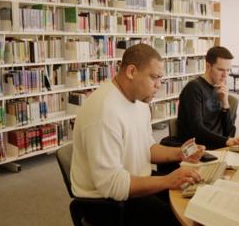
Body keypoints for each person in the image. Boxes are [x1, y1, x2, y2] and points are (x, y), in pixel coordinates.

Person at [70, 44, 205, 226]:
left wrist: (180, 153)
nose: (159, 85)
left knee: (194, 199)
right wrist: (167, 180)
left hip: (135, 183)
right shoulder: (104, 112)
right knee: (183, 219)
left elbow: (147, 148)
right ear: (132, 71)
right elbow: (113, 185)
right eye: (154, 77)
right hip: (108, 203)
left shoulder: (140, 102)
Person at [177, 46, 239, 150]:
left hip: (218, 146)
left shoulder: (218, 88)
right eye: (220, 70)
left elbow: (229, 132)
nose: (225, 75)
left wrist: (225, 103)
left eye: (228, 70)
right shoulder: (194, 88)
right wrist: (226, 141)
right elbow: (196, 130)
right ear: (208, 66)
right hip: (199, 148)